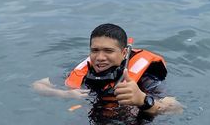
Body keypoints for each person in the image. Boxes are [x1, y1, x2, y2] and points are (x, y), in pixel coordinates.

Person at [32, 23, 183, 117]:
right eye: (95, 50)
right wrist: (64, 93)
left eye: (108, 51)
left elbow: (176, 109)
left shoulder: (146, 79)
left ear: (124, 53)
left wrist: (142, 100)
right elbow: (37, 85)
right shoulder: (84, 72)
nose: (100, 57)